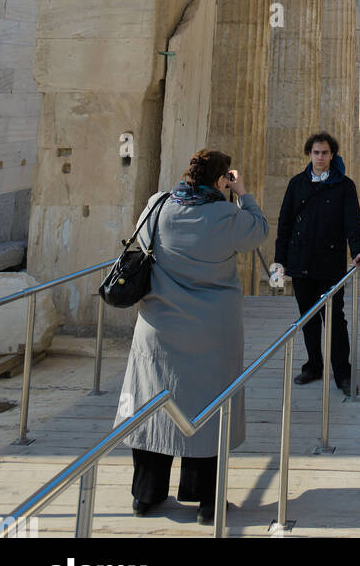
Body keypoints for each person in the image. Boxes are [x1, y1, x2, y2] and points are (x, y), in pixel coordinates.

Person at [115, 147, 269, 523]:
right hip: (212, 331)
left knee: (153, 407)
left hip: (159, 325)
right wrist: (243, 192)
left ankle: (146, 495)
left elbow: (142, 240)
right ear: (220, 180)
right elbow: (259, 232)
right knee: (210, 411)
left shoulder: (158, 204)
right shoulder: (228, 215)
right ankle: (205, 501)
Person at [270, 132, 360, 398]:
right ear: (309, 154)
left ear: (332, 155)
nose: (320, 157)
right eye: (316, 152)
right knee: (308, 319)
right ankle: (313, 366)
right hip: (300, 261)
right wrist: (279, 263)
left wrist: (359, 250)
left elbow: (352, 222)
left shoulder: (344, 186)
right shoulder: (297, 184)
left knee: (335, 320)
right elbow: (285, 225)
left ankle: (342, 372)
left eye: (325, 153)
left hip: (330, 262)